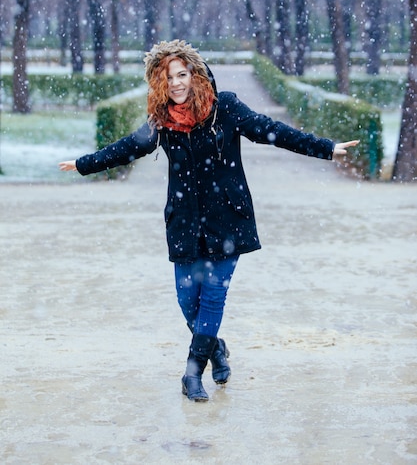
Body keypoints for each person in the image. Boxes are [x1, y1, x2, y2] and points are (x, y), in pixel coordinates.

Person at [59, 39, 359, 403]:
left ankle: (192, 371)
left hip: (227, 219)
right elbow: (126, 148)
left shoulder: (225, 108)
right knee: (188, 299)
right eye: (167, 78)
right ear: (159, 82)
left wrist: (325, 147)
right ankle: (215, 347)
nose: (176, 84)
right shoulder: (161, 120)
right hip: (184, 219)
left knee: (213, 294)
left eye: (181, 74)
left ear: (195, 73)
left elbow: (272, 131)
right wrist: (84, 164)